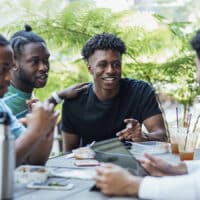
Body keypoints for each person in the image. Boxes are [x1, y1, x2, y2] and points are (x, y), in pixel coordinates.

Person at [95, 30, 200, 200]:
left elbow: (196, 188)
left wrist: (131, 185)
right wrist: (179, 169)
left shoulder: (139, 90)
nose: (197, 77)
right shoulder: (78, 97)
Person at [61, 33, 166, 152]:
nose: (110, 70)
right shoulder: (74, 101)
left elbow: (162, 136)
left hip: (132, 165)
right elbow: (68, 154)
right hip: (89, 166)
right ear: (90, 68)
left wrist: (143, 137)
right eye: (102, 65)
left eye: (116, 64)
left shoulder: (140, 91)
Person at [3, 24, 87, 120]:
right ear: (13, 64)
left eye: (46, 59)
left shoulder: (24, 94)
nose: (44, 67)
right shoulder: (5, 103)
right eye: (35, 61)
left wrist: (59, 96)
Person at [0, 33, 58, 166]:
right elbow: (3, 163)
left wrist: (46, 127)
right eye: (3, 70)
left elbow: (34, 160)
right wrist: (36, 130)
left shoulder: (2, 107)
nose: (9, 78)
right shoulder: (8, 101)